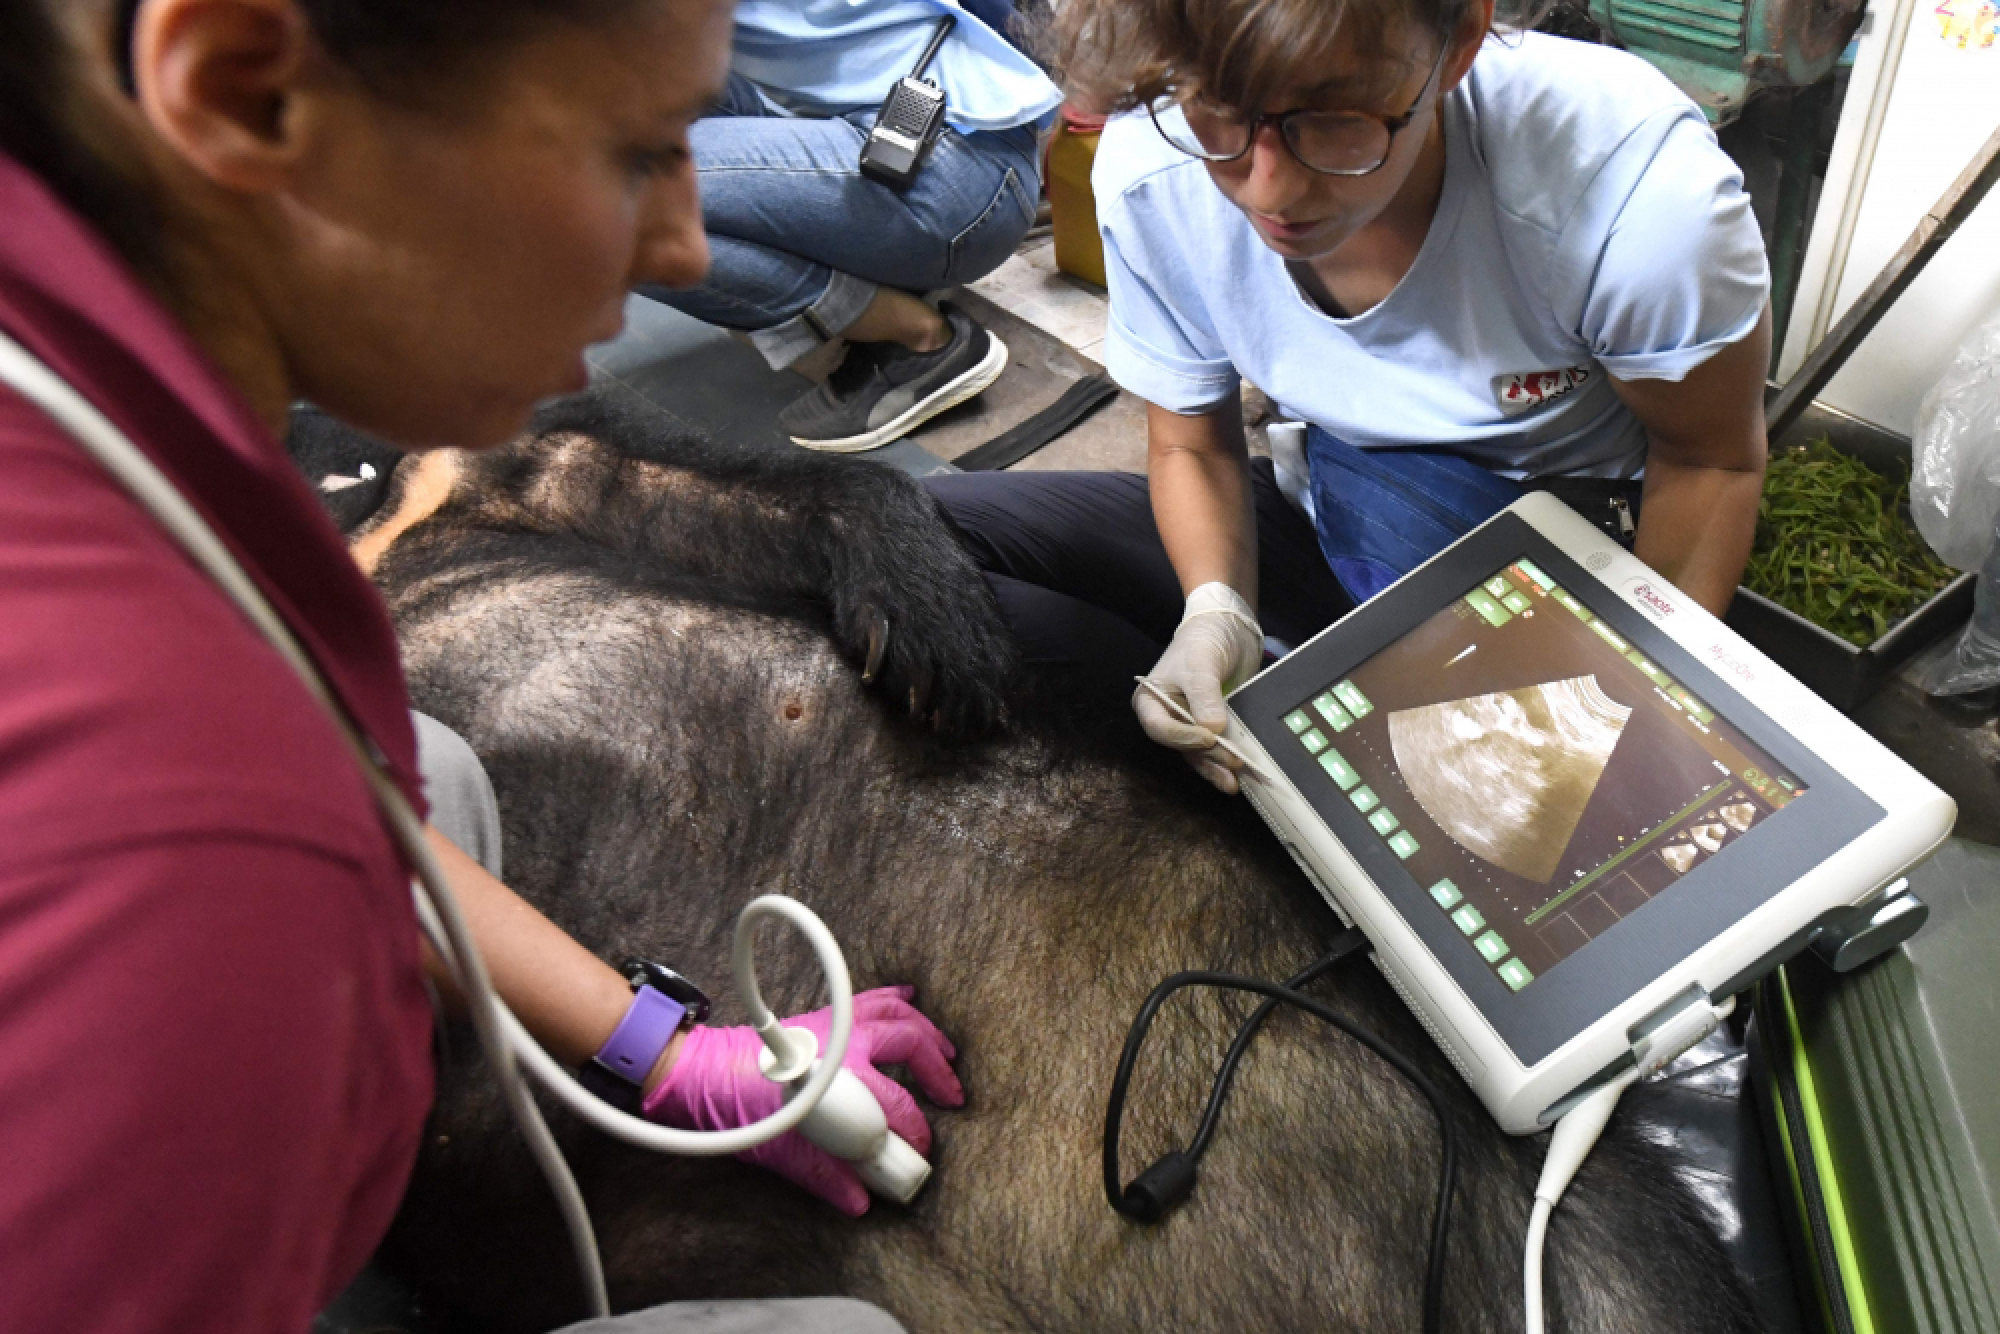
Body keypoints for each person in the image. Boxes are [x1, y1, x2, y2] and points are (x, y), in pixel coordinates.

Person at [0, 3, 960, 1332]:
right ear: (243, 91)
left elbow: (372, 806)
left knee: (430, 767)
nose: (688, 243)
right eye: (636, 152)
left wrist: (667, 1051)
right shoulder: (188, 850)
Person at [926, 0, 1772, 792]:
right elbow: (1193, 441)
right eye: (1219, 108)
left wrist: (1622, 696)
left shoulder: (1633, 194)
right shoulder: (1159, 164)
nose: (1270, 190)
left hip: (1544, 550)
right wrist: (1216, 608)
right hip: (1327, 495)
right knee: (931, 535)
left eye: (1335, 119)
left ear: (1460, 42)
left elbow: (1709, 463)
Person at [638, 0, 1060, 452]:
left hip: (948, 164)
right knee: (641, 94)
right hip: (925, 134)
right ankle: (864, 277)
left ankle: (914, 338)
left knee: (608, 186)